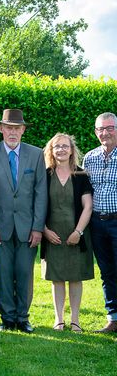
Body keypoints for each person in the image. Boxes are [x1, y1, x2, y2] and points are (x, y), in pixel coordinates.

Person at [0, 109, 47, 333]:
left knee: (25, 272)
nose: (12, 132)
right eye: (8, 127)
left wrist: (38, 227)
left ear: (23, 130)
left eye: (17, 128)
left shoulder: (36, 154)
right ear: (1, 128)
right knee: (4, 273)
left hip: (28, 227)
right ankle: (7, 319)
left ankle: (23, 317)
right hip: (1, 227)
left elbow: (41, 193)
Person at [41, 133, 93, 332]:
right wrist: (44, 231)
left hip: (76, 234)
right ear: (51, 151)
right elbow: (37, 206)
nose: (61, 150)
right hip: (52, 234)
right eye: (57, 147)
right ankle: (59, 319)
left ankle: (76, 320)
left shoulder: (81, 175)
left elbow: (88, 206)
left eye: (65, 146)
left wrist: (78, 232)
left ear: (72, 150)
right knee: (57, 278)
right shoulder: (45, 175)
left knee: (75, 277)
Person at [83, 112, 117, 333]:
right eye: (100, 129)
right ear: (96, 132)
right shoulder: (90, 157)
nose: (105, 133)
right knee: (107, 272)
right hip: (97, 224)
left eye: (109, 128)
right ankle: (113, 318)